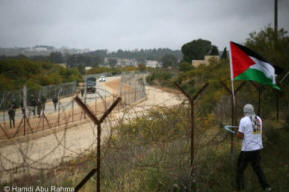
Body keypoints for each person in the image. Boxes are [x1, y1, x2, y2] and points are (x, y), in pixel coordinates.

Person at [236, 104, 271, 191]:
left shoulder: (243, 120)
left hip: (247, 150)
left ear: (245, 111)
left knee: (239, 170)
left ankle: (240, 188)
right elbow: (252, 133)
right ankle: (266, 187)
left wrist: (237, 134)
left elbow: (240, 136)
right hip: (257, 149)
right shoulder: (258, 119)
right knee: (258, 169)